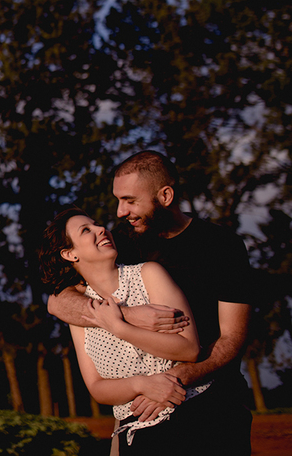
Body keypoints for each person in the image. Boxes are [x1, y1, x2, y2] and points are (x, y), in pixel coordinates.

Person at [46, 151, 254, 454]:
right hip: (141, 419)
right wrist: (125, 316)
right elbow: (58, 301)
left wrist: (170, 381)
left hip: (215, 408)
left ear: (165, 196)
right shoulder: (124, 244)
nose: (119, 212)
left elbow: (233, 338)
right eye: (118, 200)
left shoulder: (223, 246)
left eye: (130, 200)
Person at [40, 208, 207, 451]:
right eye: (86, 230)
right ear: (69, 254)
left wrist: (119, 327)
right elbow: (96, 386)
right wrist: (141, 385)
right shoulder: (80, 311)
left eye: (96, 224)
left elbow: (190, 350)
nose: (100, 229)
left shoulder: (149, 274)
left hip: (193, 416)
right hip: (137, 434)